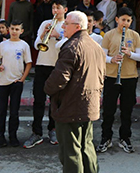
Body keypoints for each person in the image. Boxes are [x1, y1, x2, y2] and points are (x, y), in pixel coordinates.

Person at [44, 11, 105, 173]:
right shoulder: (95, 46)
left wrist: (47, 89)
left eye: (66, 24)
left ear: (77, 27)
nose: (63, 27)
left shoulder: (71, 46)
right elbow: (101, 76)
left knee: (71, 153)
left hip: (70, 106)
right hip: (89, 104)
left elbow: (59, 79)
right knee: (87, 148)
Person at [97, 7, 140, 153]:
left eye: (128, 21)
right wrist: (112, 59)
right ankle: (106, 138)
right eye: (123, 20)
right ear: (117, 20)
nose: (126, 23)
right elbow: (103, 56)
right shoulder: (108, 35)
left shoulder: (135, 35)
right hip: (112, 76)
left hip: (130, 77)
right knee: (109, 109)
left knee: (126, 109)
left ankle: (125, 138)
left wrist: (129, 53)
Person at [24, 0, 68, 149]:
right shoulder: (45, 23)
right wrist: (43, 34)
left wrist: (59, 35)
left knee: (55, 101)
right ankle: (36, 132)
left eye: (58, 8)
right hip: (42, 65)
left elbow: (69, 47)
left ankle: (53, 129)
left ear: (65, 10)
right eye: (53, 8)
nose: (55, 11)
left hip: (57, 67)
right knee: (39, 99)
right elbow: (37, 45)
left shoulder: (67, 25)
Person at [0, 20, 32, 148]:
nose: (14, 31)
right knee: (1, 111)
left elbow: (28, 63)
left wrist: (22, 79)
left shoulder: (24, 45)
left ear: (21, 31)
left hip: (16, 81)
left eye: (17, 29)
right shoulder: (3, 45)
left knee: (14, 111)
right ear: (8, 30)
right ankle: (0, 135)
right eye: (12, 29)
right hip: (2, 82)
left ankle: (13, 135)